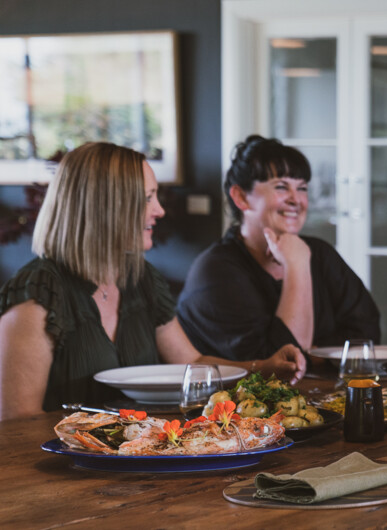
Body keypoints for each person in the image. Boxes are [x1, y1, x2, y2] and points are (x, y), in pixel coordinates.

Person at [0, 142, 306, 421]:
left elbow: (192, 362)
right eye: (148, 198)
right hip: (67, 470)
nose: (159, 210)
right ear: (104, 207)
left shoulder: (141, 277)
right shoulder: (38, 292)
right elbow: (17, 421)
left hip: (137, 459)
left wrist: (264, 367)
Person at [176, 135, 380, 361]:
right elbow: (281, 366)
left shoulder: (321, 254)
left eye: (302, 188)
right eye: (281, 187)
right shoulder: (215, 271)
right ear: (241, 197)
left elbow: (367, 335)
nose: (296, 200)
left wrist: (314, 354)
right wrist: (297, 265)